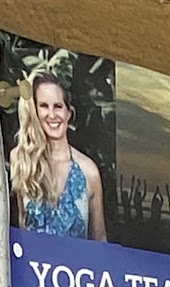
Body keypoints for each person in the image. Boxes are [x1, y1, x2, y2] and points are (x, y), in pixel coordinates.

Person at [8, 71, 106, 240]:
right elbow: (23, 225)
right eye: (44, 106)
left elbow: (100, 241)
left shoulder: (89, 171)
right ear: (34, 112)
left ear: (69, 113)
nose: (52, 115)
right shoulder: (21, 159)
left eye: (58, 106)